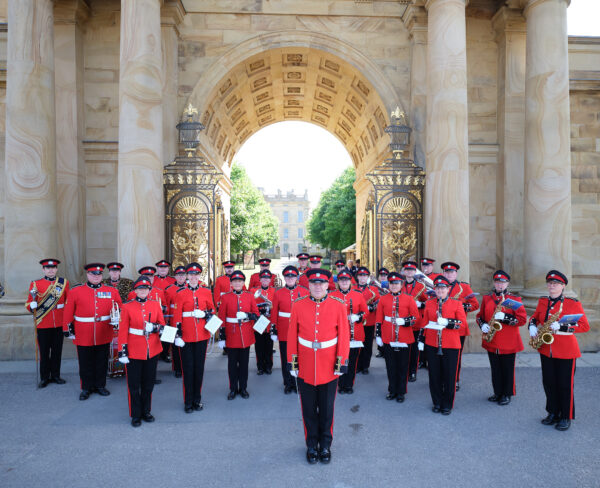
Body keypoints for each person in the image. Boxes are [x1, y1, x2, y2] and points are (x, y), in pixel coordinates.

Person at [287, 268, 350, 464]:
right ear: (309, 285)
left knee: (326, 409)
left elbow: (344, 336)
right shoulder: (298, 305)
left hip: (329, 366)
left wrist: (341, 362)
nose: (317, 286)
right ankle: (311, 445)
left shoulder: (338, 305)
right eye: (313, 283)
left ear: (327, 285)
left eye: (321, 283)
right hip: (305, 365)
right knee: (308, 410)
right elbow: (291, 335)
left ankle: (325, 445)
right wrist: (293, 361)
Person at [528, 270, 589, 431]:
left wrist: (562, 326)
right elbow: (535, 317)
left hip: (566, 350)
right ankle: (553, 412)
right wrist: (532, 325)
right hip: (546, 349)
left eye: (555, 284)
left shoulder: (572, 303)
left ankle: (566, 416)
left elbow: (584, 326)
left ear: (562, 286)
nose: (551, 286)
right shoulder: (543, 301)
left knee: (564, 384)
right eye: (549, 283)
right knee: (549, 382)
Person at [63, 263, 122, 400]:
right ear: (87, 275)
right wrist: (67, 328)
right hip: (83, 332)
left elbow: (119, 307)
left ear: (102, 275)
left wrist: (118, 319)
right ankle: (86, 388)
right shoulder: (75, 291)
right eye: (93, 274)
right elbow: (68, 312)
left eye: (99, 274)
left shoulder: (112, 291)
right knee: (85, 362)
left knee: (101, 360)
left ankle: (100, 385)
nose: (96, 277)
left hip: (104, 330)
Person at [117, 276, 165, 427]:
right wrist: (122, 351)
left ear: (149, 290)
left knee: (148, 384)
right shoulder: (127, 306)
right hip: (134, 350)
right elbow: (123, 331)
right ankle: (135, 414)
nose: (143, 291)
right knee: (134, 385)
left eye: (145, 289)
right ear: (135, 291)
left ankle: (146, 411)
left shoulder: (155, 305)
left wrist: (155, 327)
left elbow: (162, 326)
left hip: (152, 349)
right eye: (140, 289)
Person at [476, 270, 527, 406]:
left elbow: (522, 320)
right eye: (497, 282)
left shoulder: (514, 300)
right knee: (495, 368)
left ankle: (507, 393)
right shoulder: (487, 298)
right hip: (491, 339)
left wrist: (506, 318)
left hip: (508, 341)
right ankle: (497, 392)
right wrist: (483, 325)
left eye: (502, 282)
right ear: (494, 283)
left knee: (507, 368)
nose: (499, 285)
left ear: (507, 284)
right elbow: (479, 316)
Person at [418, 275, 467, 415]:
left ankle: (447, 404)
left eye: (443, 288)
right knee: (434, 375)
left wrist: (448, 323)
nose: (440, 290)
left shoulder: (456, 303)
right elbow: (424, 323)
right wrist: (421, 340)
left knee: (449, 376)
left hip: (451, 345)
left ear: (448, 289)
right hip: (432, 344)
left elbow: (462, 324)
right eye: (438, 288)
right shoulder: (429, 303)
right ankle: (437, 402)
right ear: (434, 289)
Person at [173, 262, 216, 413]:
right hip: (186, 337)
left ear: (199, 276)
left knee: (199, 369)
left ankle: (197, 400)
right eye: (190, 275)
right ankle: (188, 401)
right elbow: (176, 317)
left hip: (202, 336)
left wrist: (205, 314)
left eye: (196, 274)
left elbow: (212, 310)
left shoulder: (206, 292)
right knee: (188, 370)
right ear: (187, 276)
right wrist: (177, 336)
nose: (193, 277)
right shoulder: (180, 293)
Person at [374, 272, 419, 402]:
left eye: (396, 284)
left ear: (401, 284)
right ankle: (392, 390)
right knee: (390, 365)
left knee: (403, 366)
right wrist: (378, 335)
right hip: (388, 336)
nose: (393, 286)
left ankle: (401, 392)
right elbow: (379, 318)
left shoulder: (409, 298)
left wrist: (404, 321)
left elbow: (415, 318)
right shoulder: (383, 299)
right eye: (391, 284)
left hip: (405, 337)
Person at [25, 258, 70, 387]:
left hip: (59, 323)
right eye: (48, 268)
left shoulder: (63, 283)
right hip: (43, 323)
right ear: (43, 269)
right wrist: (32, 306)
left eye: (53, 268)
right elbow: (28, 302)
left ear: (56, 269)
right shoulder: (35, 284)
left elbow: (68, 302)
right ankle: (44, 377)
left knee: (57, 351)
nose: (51, 270)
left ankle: (56, 375)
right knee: (44, 352)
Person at [217, 270, 260, 400]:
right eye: (234, 281)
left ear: (243, 283)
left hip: (245, 336)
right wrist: (222, 337)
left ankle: (243, 388)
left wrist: (247, 315)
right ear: (231, 283)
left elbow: (256, 315)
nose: (237, 283)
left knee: (244, 364)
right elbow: (221, 318)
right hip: (231, 335)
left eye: (240, 281)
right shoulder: (225, 297)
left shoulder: (249, 296)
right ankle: (233, 389)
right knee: (232, 365)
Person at [440, 261, 479, 391]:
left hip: (458, 328)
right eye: (447, 272)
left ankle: (454, 380)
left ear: (456, 273)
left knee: (456, 356)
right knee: (440, 356)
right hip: (440, 328)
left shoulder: (464, 287)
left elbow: (475, 304)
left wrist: (463, 306)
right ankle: (442, 379)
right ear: (443, 273)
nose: (449, 274)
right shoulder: (439, 287)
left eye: (452, 272)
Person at [270, 265, 309, 394]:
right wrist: (273, 329)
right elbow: (274, 311)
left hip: (300, 330)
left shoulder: (304, 292)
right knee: (286, 357)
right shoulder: (278, 293)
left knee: (300, 357)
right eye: (287, 277)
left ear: (296, 277)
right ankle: (287, 383)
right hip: (284, 330)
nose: (290, 279)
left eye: (292, 276)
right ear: (285, 278)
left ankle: (298, 382)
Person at [331, 269, 367, 394]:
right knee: (339, 359)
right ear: (338, 282)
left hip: (355, 333)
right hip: (337, 334)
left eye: (346, 280)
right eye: (342, 280)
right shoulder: (332, 296)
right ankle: (340, 384)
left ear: (350, 281)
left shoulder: (358, 295)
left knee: (352, 361)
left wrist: (358, 317)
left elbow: (365, 311)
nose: (344, 282)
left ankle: (349, 385)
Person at [400, 261, 428, 382]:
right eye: (407, 270)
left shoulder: (421, 286)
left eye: (412, 270)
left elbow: (429, 303)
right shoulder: (399, 284)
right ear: (404, 272)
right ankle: (404, 371)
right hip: (402, 321)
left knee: (414, 350)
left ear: (415, 271)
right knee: (404, 349)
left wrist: (420, 304)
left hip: (416, 322)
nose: (409, 272)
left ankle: (412, 372)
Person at [103, 262, 132, 378]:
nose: (114, 273)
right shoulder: (102, 283)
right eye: (112, 271)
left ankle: (123, 367)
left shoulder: (129, 283)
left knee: (123, 341)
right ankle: (108, 367)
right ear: (109, 272)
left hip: (124, 316)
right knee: (107, 343)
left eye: (117, 271)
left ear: (120, 272)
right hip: (107, 317)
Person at [250, 269, 276, 375]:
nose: (265, 280)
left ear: (270, 280)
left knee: (269, 346)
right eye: (263, 278)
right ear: (260, 279)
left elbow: (276, 306)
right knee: (259, 346)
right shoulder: (253, 291)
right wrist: (260, 310)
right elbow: (251, 305)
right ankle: (260, 367)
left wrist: (271, 308)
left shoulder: (274, 291)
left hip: (269, 322)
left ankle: (268, 366)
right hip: (259, 322)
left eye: (267, 278)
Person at [355, 266, 380, 374]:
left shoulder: (373, 289)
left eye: (364, 276)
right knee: (356, 343)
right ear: (357, 277)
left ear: (368, 277)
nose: (362, 278)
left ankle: (365, 366)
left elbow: (378, 301)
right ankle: (357, 365)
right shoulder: (353, 288)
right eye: (360, 276)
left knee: (367, 344)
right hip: (356, 320)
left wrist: (371, 307)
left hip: (369, 320)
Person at [164, 265, 187, 377]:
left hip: (187, 321)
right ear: (175, 276)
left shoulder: (190, 288)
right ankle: (177, 368)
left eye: (183, 275)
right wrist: (167, 321)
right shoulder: (169, 290)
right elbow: (167, 307)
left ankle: (186, 367)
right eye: (178, 275)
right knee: (175, 347)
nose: (181, 277)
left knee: (186, 345)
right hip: (173, 320)